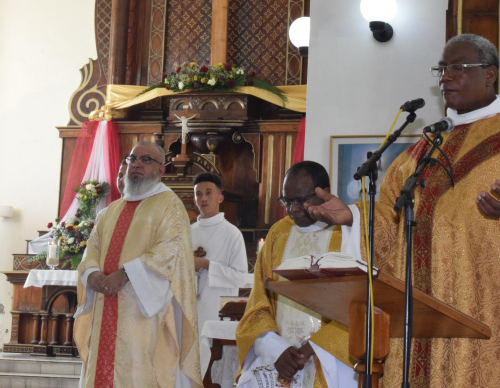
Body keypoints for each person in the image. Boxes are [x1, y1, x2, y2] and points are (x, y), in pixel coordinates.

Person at [305, 34, 500, 388]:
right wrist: (353, 216)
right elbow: (392, 217)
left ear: (490, 74)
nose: (445, 77)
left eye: (458, 67)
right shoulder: (427, 145)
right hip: (419, 314)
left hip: (488, 305)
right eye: (441, 69)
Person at [74, 140, 201, 387]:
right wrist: (92, 274)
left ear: (161, 170)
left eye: (146, 160)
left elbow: (169, 251)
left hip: (142, 312)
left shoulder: (169, 206)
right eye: (132, 159)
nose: (136, 165)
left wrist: (125, 274)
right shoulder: (111, 210)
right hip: (105, 304)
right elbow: (93, 247)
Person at [236, 161, 362, 388]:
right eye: (288, 201)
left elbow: (357, 305)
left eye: (303, 200)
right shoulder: (278, 234)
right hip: (280, 358)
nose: (293, 209)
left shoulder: (346, 233)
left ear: (324, 195)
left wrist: (312, 349)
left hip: (330, 358)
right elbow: (258, 304)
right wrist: (279, 350)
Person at [191, 172, 248, 383]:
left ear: (220, 197)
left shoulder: (232, 234)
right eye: (198, 194)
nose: (203, 198)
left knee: (212, 374)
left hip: (216, 310)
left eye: (208, 193)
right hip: (190, 310)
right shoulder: (188, 232)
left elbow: (241, 277)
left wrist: (207, 265)